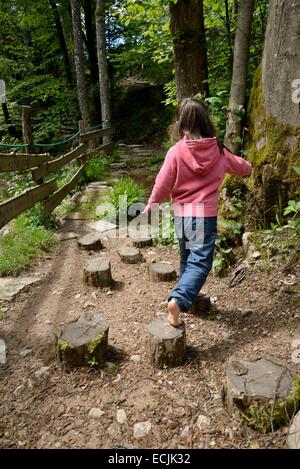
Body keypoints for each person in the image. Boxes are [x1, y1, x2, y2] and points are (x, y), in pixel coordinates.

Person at [144, 97, 252, 327]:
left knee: (187, 258)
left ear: (181, 123)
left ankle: (185, 297)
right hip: (203, 216)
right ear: (206, 122)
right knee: (201, 263)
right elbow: (241, 167)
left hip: (181, 216)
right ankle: (179, 300)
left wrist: (152, 203)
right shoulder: (219, 152)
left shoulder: (176, 151)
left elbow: (163, 182)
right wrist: (249, 168)